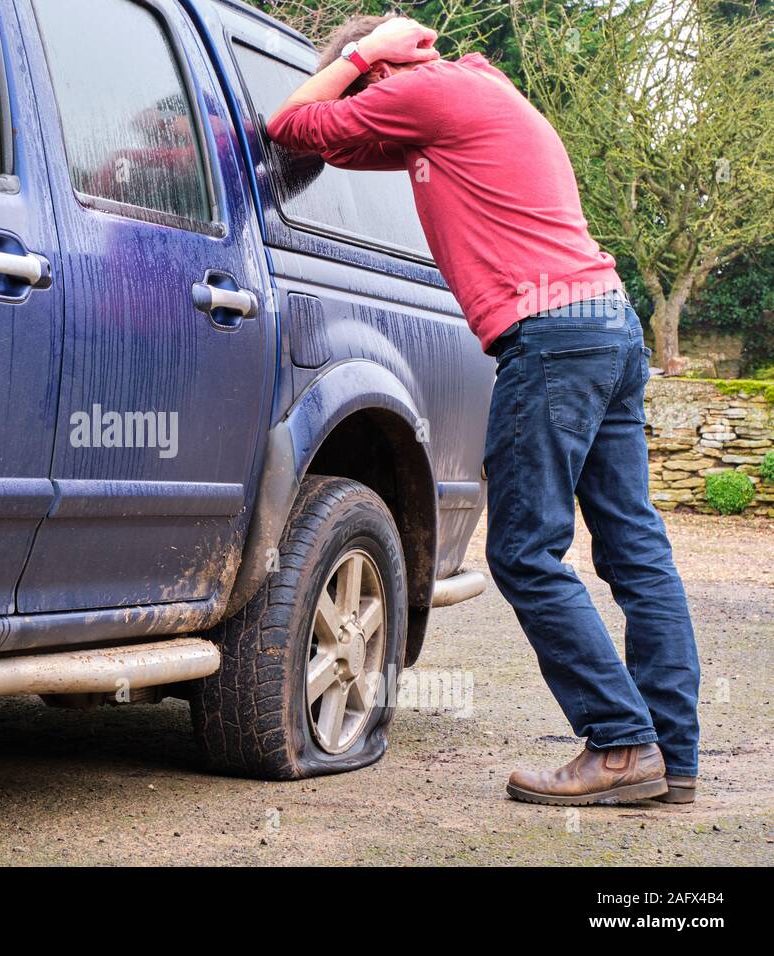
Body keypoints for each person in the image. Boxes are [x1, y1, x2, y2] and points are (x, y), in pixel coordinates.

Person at [267, 15, 700, 806]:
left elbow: (289, 124)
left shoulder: (428, 91)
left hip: (552, 337)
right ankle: (672, 754)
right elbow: (332, 146)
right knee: (635, 548)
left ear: (380, 76)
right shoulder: (478, 93)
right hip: (605, 321)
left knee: (525, 552)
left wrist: (362, 53)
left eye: (362, 83)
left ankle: (620, 745)